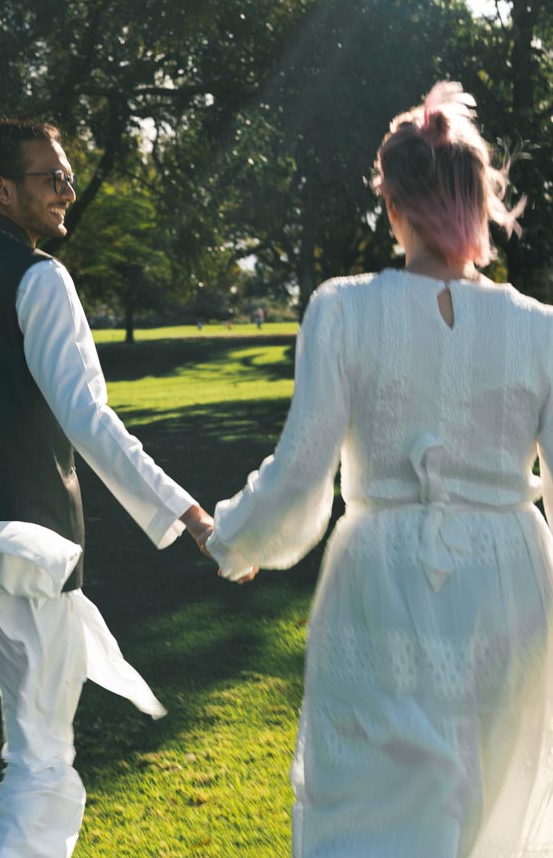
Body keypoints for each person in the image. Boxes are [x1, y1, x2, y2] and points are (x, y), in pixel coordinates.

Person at [206, 82, 553, 856]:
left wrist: (235, 537)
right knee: (490, 804)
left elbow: (301, 472)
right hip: (513, 581)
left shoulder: (343, 307)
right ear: (479, 201)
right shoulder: (540, 329)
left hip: (384, 572)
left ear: (391, 201)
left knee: (367, 797)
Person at [0, 120, 213, 858]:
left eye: (67, 177)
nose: (67, 191)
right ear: (3, 190)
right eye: (51, 179)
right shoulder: (40, 278)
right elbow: (89, 420)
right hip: (17, 543)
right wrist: (187, 513)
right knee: (40, 753)